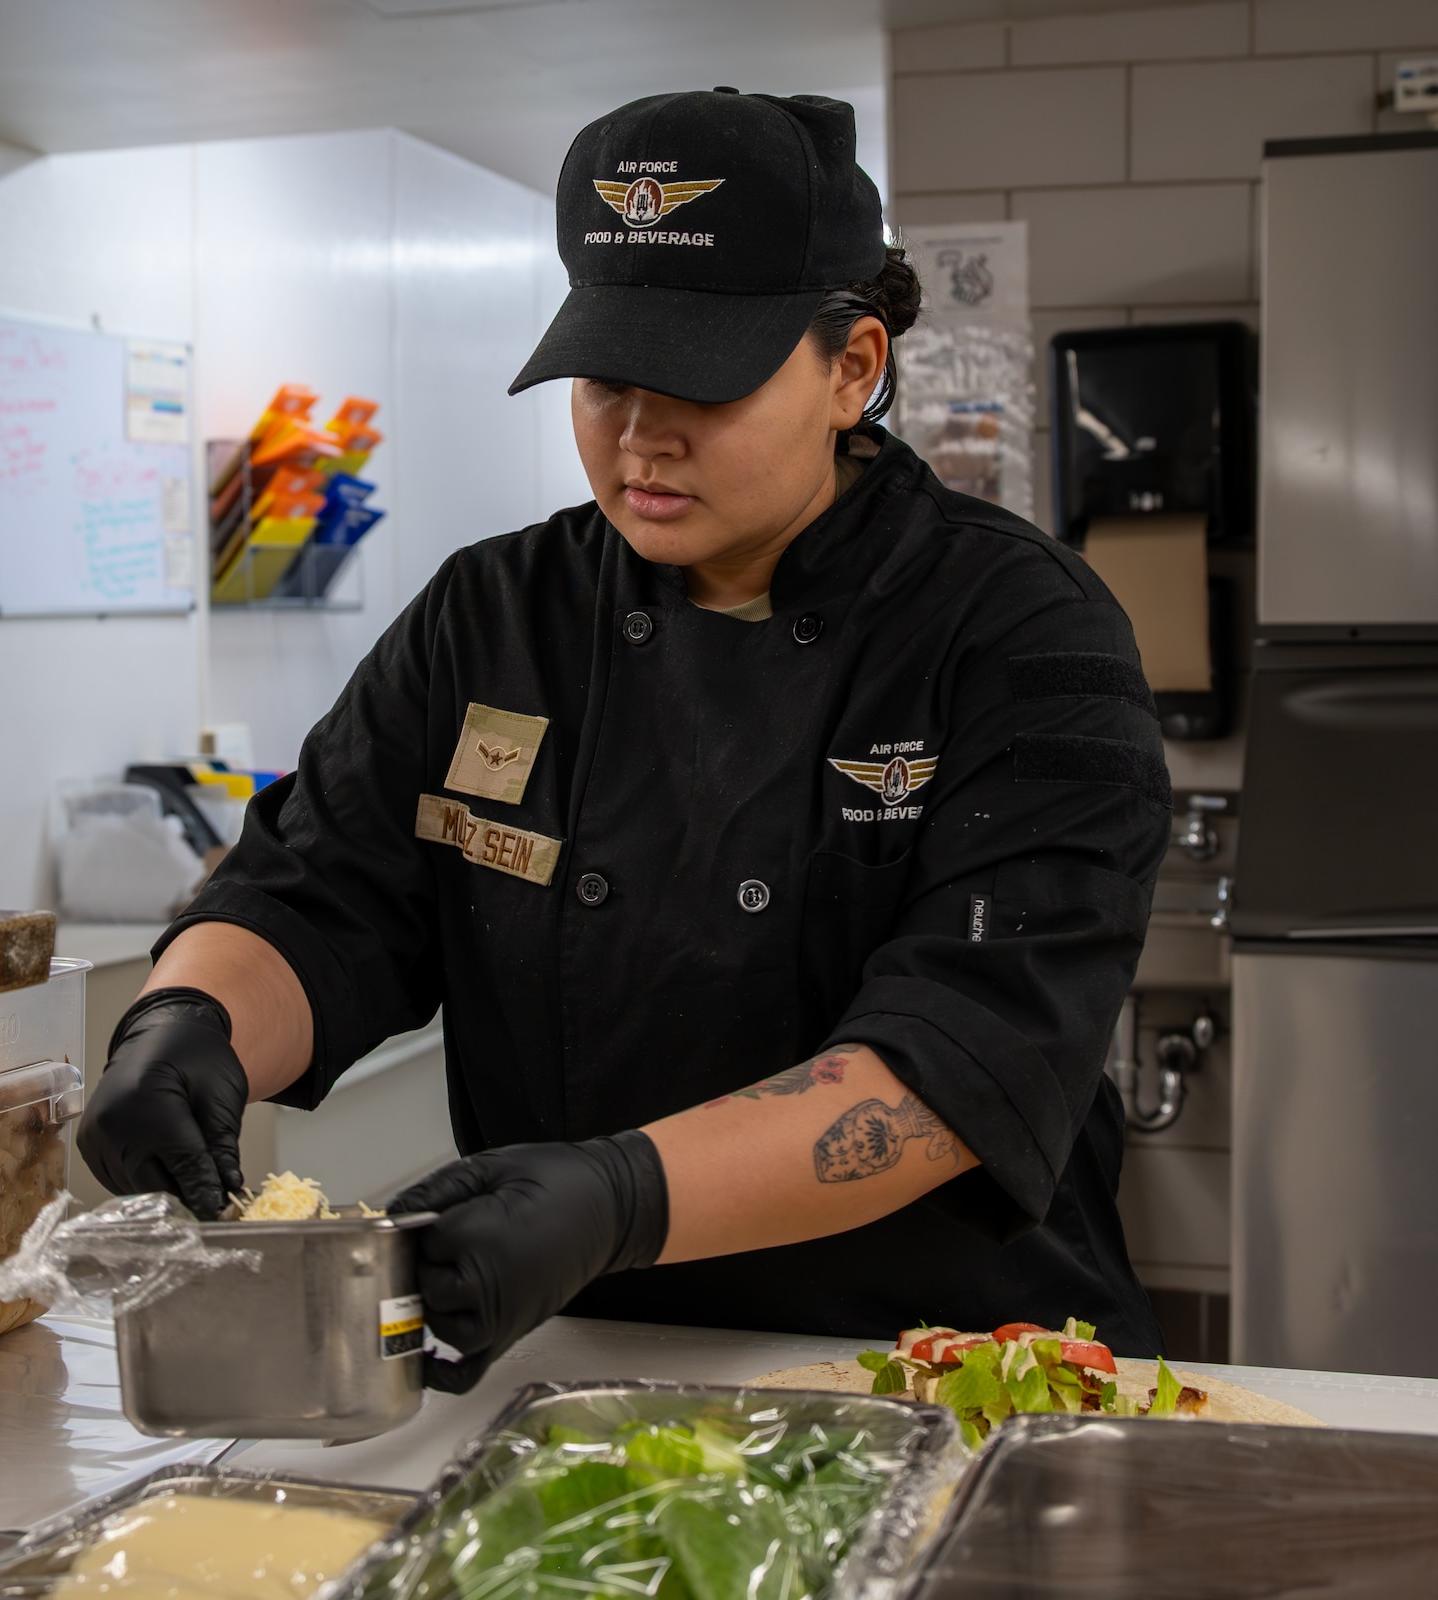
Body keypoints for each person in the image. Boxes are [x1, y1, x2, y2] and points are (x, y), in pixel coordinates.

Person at [78, 87, 1172, 1392]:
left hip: (944, 1367)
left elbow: (964, 1062)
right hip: (593, 1363)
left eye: (704, 378)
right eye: (606, 381)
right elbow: (319, 893)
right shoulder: (493, 616)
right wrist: (189, 1022)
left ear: (853, 369)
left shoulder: (1023, 631)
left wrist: (617, 1197)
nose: (642, 436)